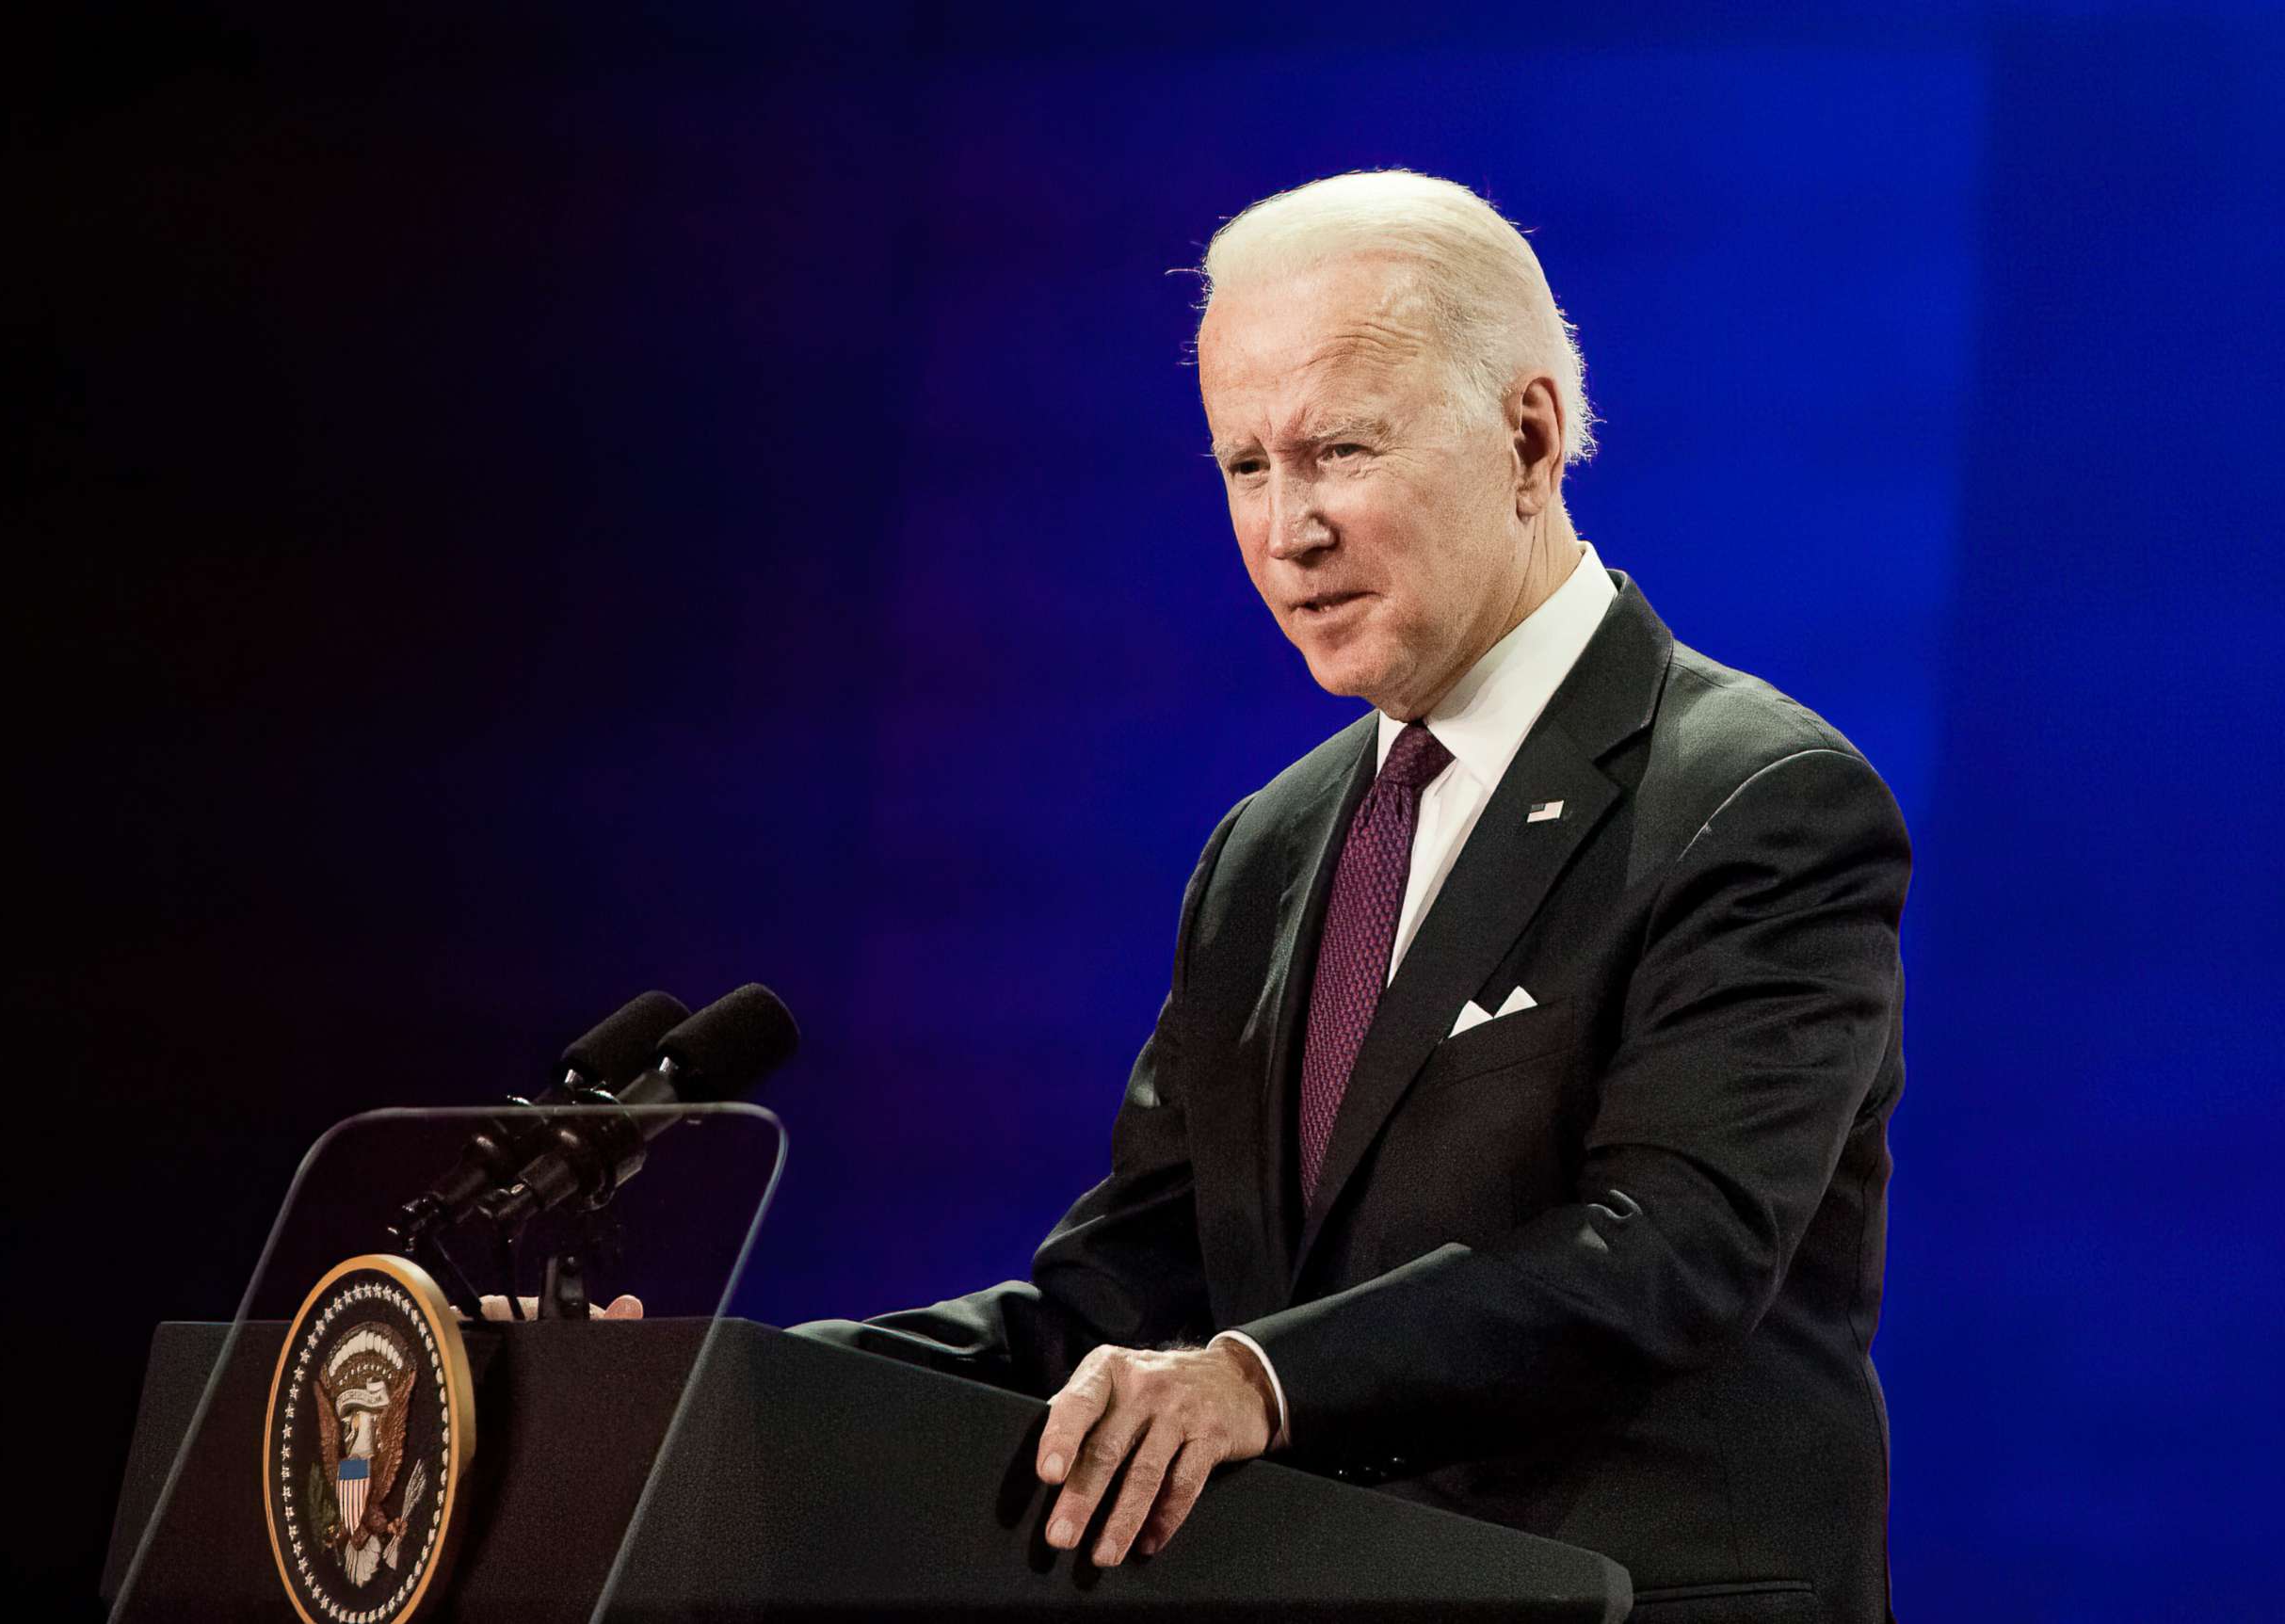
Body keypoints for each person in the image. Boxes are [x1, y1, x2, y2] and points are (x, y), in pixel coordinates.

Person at [796, 169, 1909, 1624]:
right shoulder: (1267, 848)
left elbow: (1666, 1250)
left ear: (1529, 436)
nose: (1286, 529)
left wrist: (1262, 1381)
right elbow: (1122, 1304)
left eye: (1337, 451)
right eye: (1244, 467)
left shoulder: (1756, 800)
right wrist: (708, 1388)